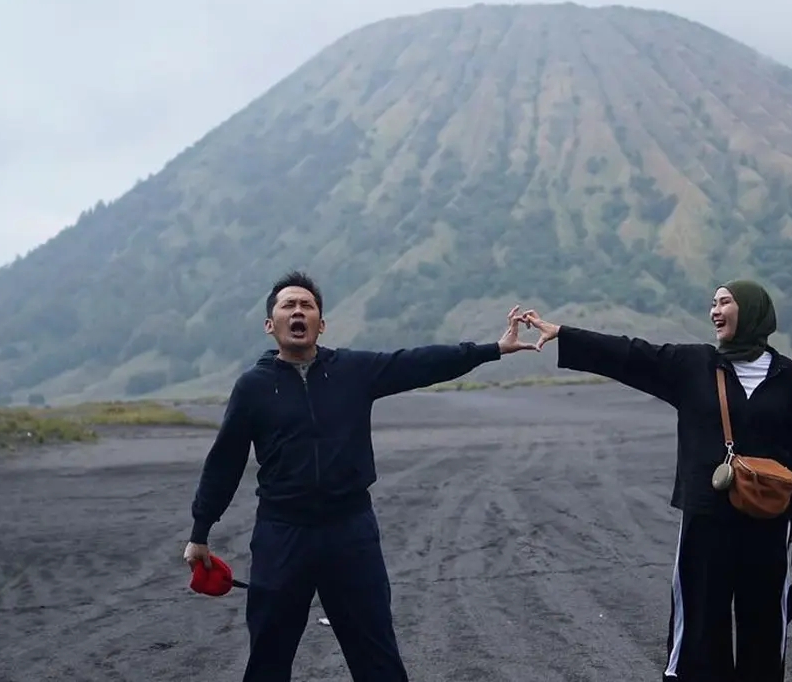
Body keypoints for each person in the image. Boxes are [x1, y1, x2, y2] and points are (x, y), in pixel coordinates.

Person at [182, 270, 539, 682]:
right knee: (268, 656)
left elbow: (420, 363)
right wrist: (200, 531)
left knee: (376, 656)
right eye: (288, 305)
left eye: (307, 305)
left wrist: (492, 349)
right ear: (270, 324)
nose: (298, 311)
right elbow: (223, 461)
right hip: (282, 533)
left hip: (349, 531)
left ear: (321, 322)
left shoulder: (352, 370)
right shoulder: (253, 388)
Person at [519, 279, 792, 681]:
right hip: (707, 516)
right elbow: (629, 354)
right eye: (712, 303)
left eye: (725, 302)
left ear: (752, 311)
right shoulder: (693, 364)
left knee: (764, 625)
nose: (714, 310)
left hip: (768, 518)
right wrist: (564, 335)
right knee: (699, 625)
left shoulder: (783, 372)